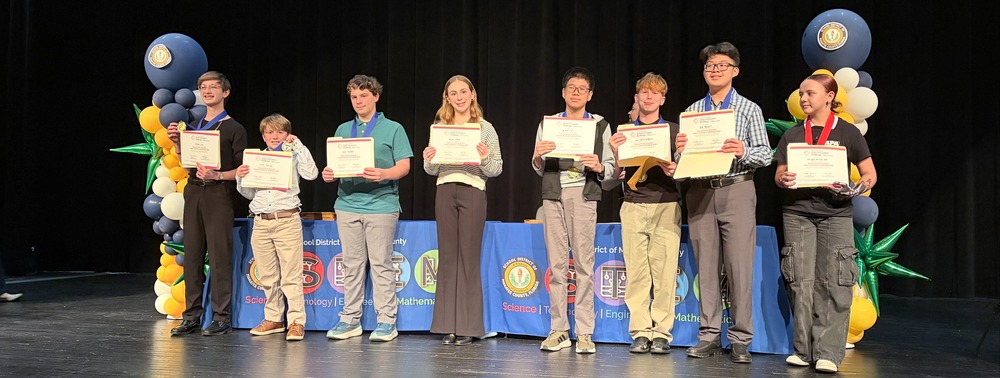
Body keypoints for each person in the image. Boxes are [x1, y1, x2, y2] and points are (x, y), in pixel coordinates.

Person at [775, 74, 876, 374]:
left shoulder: (848, 133)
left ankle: (828, 352)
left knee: (835, 280)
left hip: (836, 213)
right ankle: (803, 350)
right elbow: (779, 174)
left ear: (830, 96)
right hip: (798, 212)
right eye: (801, 93)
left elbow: (869, 173)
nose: (804, 99)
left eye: (810, 93)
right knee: (800, 281)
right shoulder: (792, 134)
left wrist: (856, 188)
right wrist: (784, 178)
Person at [676, 42, 771, 363]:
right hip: (700, 191)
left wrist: (742, 149)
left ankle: (741, 338)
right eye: (709, 66)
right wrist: (679, 150)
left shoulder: (748, 109)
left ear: (735, 71)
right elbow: (680, 163)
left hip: (737, 189)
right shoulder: (691, 113)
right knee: (705, 267)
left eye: (721, 65)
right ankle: (709, 335)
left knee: (739, 266)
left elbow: (765, 154)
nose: (714, 71)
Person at [531, 67, 616, 354]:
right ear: (564, 92)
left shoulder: (601, 125)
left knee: (583, 266)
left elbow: (612, 170)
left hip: (584, 195)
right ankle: (558, 330)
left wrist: (600, 167)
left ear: (590, 94)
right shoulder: (550, 123)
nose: (576, 92)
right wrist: (537, 156)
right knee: (556, 265)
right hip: (553, 196)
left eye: (582, 88)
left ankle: (585, 333)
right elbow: (538, 166)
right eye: (571, 87)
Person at [323, 75, 413, 342]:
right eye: (353, 97)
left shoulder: (393, 128)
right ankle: (350, 320)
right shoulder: (342, 130)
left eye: (363, 95)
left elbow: (404, 166)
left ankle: (386, 321)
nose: (358, 101)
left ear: (376, 96)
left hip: (381, 205)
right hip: (348, 205)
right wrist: (329, 174)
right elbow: (336, 166)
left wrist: (384, 173)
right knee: (351, 265)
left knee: (381, 263)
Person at [166, 71, 248, 336]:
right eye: (203, 87)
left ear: (226, 92)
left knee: (220, 256)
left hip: (218, 193)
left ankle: (222, 317)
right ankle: (191, 316)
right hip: (194, 192)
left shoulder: (234, 128)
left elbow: (243, 170)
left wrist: (218, 175)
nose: (208, 90)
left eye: (214, 87)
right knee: (191, 255)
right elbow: (187, 164)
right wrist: (178, 144)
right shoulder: (193, 128)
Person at [423, 75, 503, 346]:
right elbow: (431, 169)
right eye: (452, 93)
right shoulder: (440, 126)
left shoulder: (485, 128)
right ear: (447, 98)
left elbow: (496, 169)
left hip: (472, 190)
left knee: (468, 259)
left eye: (463, 92)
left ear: (472, 94)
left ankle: (468, 326)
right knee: (447, 258)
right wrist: (428, 159)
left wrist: (483, 157)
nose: (458, 97)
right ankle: (448, 325)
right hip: (445, 189)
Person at [608, 72, 681, 355]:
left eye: (654, 93)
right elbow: (618, 175)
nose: (648, 97)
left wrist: (675, 168)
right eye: (644, 93)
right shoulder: (625, 132)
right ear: (637, 98)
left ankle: (661, 332)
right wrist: (615, 155)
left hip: (665, 204)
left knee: (663, 273)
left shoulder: (673, 132)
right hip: (633, 205)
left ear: (662, 99)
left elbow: (686, 174)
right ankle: (640, 331)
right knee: (637, 273)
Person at [235, 113, 319, 341]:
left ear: (287, 133)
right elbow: (248, 193)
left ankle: (296, 322)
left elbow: (311, 174)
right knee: (268, 276)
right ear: (263, 136)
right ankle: (274, 318)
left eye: (280, 131)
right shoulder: (255, 158)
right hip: (261, 221)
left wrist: (298, 145)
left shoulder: (292, 155)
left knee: (292, 276)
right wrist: (241, 178)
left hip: (286, 220)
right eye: (269, 132)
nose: (275, 136)